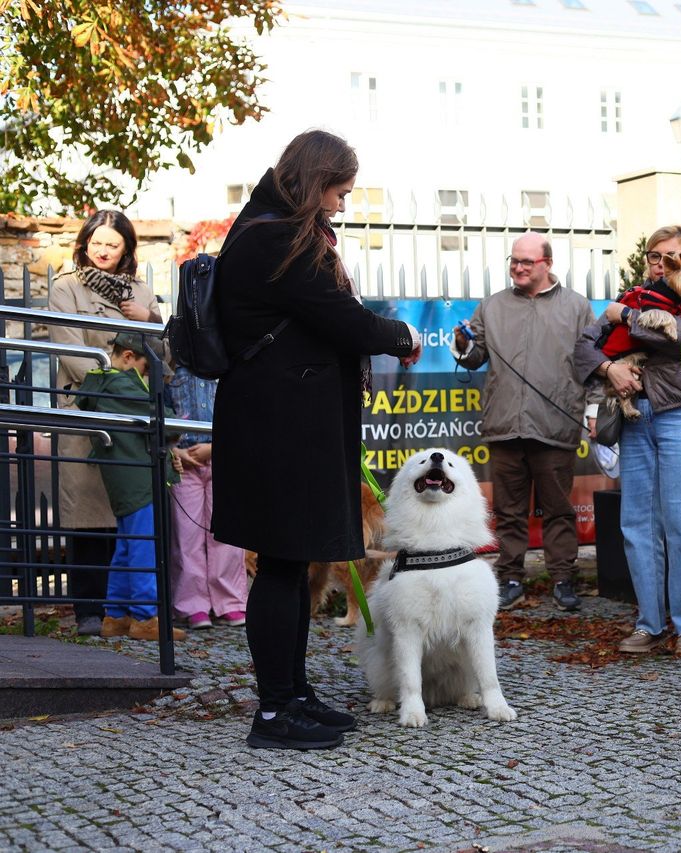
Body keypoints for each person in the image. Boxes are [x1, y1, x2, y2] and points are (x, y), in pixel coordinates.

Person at [212, 129, 422, 751]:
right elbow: (341, 318)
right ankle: (275, 712)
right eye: (338, 191)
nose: (341, 204)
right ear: (313, 181)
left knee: (291, 564)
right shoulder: (278, 239)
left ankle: (294, 693)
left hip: (282, 424)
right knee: (280, 567)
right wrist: (402, 334)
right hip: (279, 429)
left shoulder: (271, 229)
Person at [574, 225, 681, 654]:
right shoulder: (635, 296)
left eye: (669, 254)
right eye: (653, 254)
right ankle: (649, 622)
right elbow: (582, 348)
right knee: (636, 523)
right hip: (633, 416)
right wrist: (608, 369)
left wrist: (626, 319)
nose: (659, 262)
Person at [453, 233, 596, 612]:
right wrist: (464, 344)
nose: (517, 267)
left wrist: (595, 410)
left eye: (526, 262)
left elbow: (592, 364)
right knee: (509, 511)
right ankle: (510, 577)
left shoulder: (578, 307)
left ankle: (564, 579)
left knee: (559, 510)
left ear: (547, 264)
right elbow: (472, 357)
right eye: (513, 260)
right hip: (504, 425)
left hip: (555, 426)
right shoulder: (492, 305)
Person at [48, 210, 163, 637]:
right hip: (88, 412)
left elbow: (164, 356)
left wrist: (147, 321)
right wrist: (120, 387)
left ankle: (132, 611)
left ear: (127, 250)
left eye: (113, 244)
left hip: (133, 419)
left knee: (134, 516)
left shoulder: (141, 293)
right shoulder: (66, 287)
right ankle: (89, 609)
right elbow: (73, 353)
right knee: (88, 515)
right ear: (85, 242)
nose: (104, 250)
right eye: (98, 241)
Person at [75, 333, 186, 642]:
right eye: (148, 370)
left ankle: (116, 615)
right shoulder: (121, 384)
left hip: (125, 478)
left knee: (127, 546)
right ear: (127, 358)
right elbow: (165, 421)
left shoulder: (106, 385)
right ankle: (144, 616)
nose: (152, 380)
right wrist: (174, 429)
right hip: (139, 479)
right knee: (143, 548)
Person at [167, 365, 248, 629]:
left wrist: (215, 447)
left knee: (225, 534)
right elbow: (162, 413)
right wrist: (173, 450)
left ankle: (231, 601)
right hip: (184, 460)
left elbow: (242, 417)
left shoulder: (228, 370)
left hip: (222, 456)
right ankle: (192, 604)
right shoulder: (172, 374)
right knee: (186, 536)